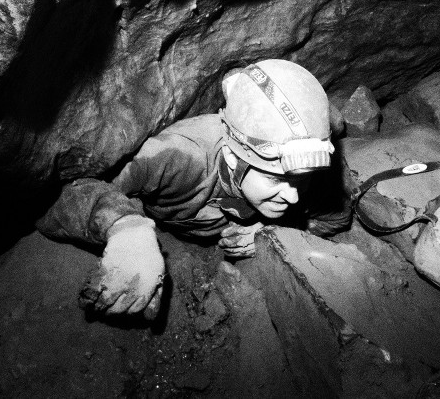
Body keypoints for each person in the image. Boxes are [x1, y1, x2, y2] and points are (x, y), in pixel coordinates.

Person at [37, 59, 352, 320]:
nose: (293, 195)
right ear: (233, 158)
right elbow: (57, 200)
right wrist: (127, 230)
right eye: (275, 179)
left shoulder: (305, 169)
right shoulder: (181, 156)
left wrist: (273, 232)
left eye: (301, 180)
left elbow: (336, 216)